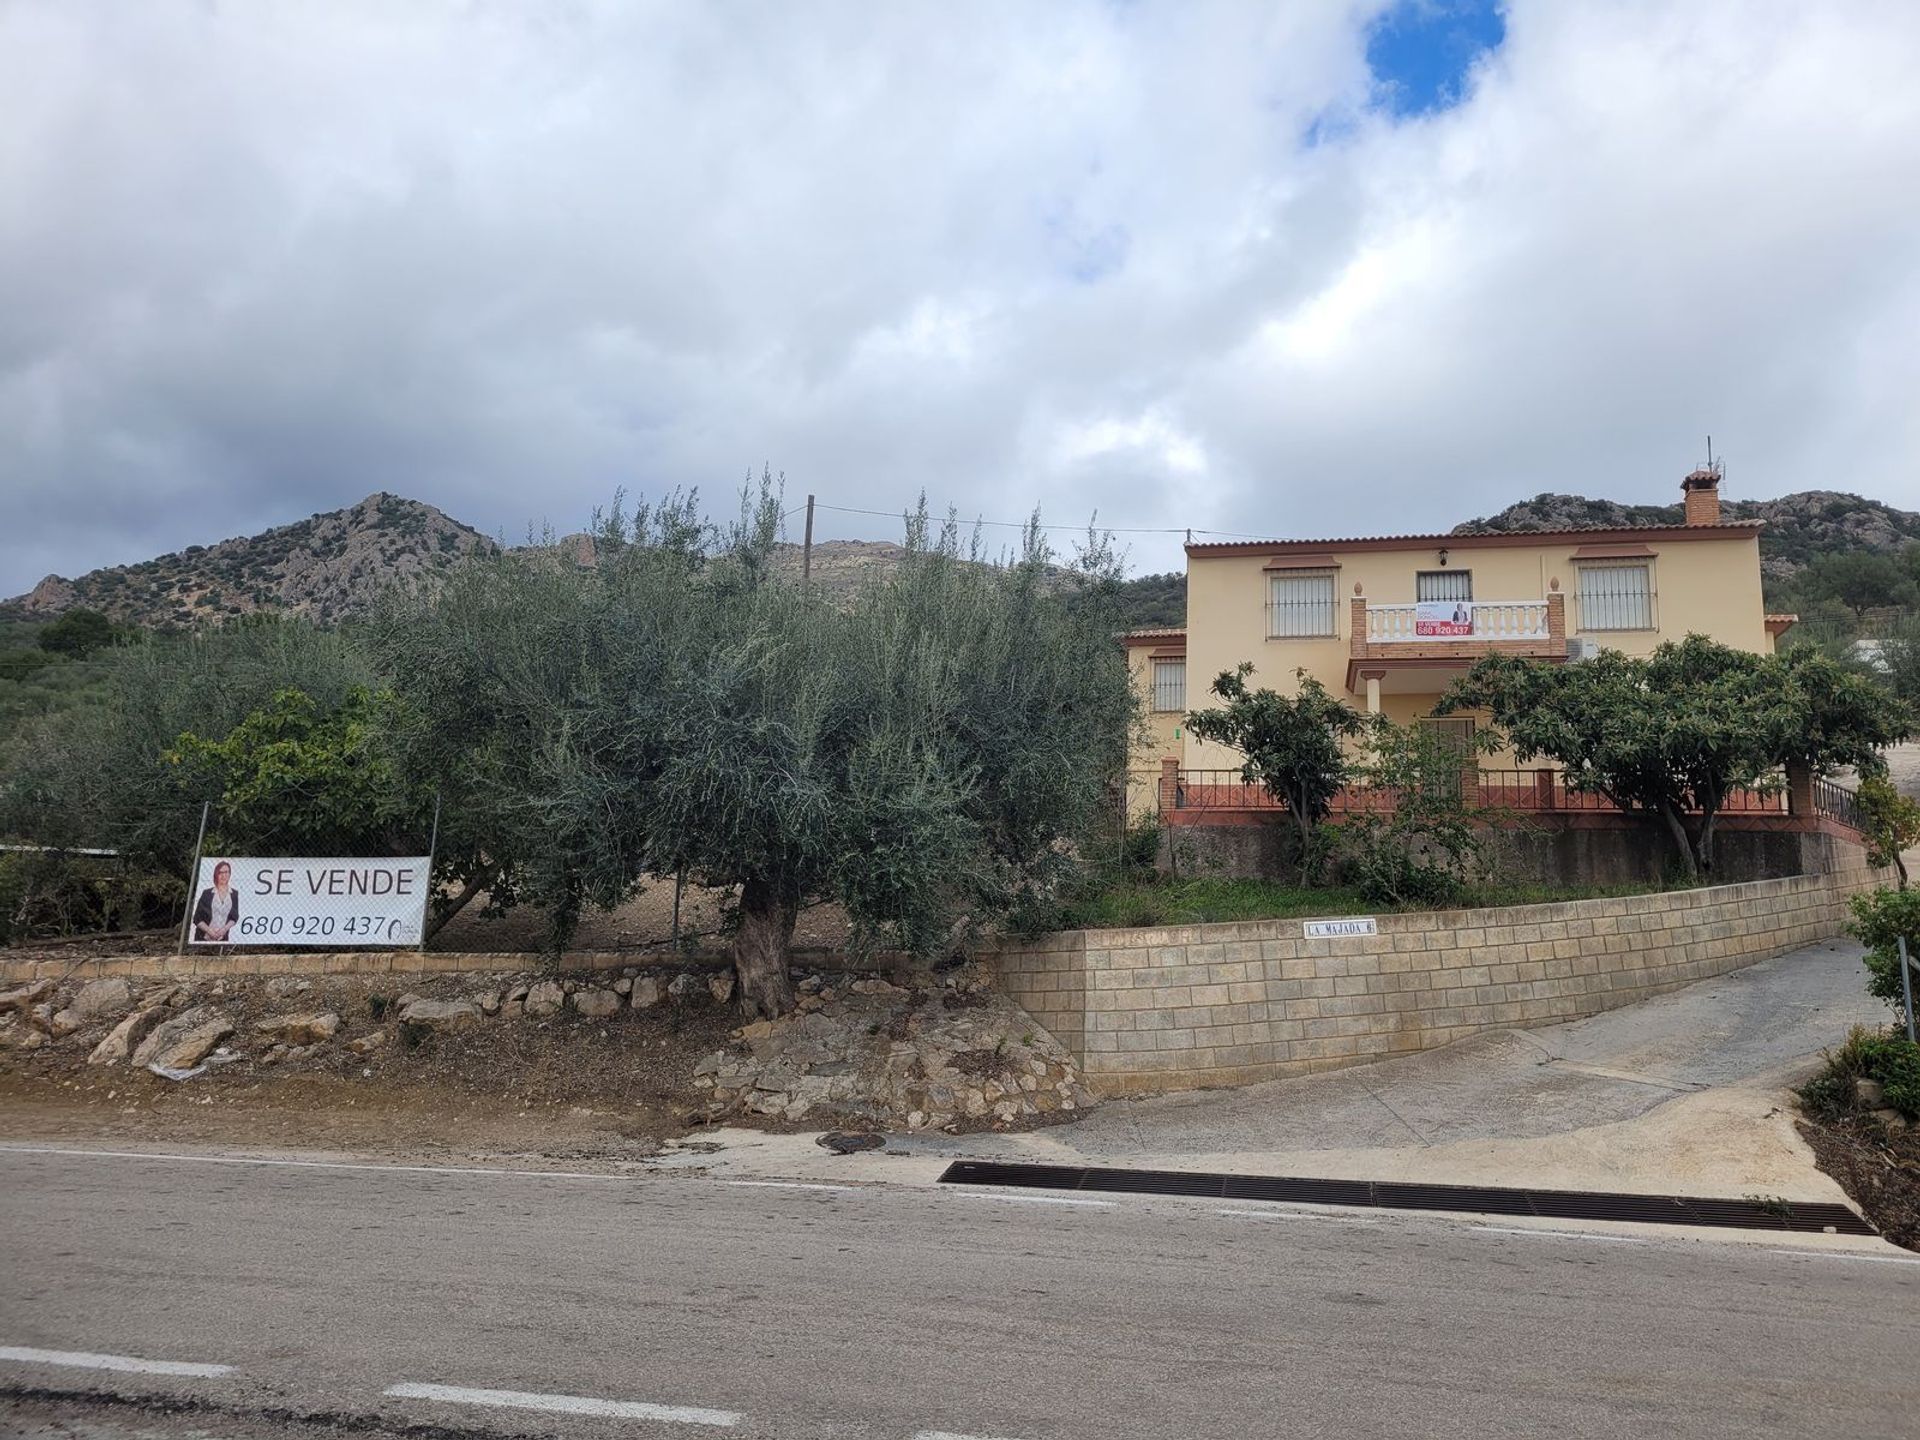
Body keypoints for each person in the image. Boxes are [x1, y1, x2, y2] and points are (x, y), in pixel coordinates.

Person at [192, 861, 239, 942]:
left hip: (222, 938)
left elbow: (234, 917)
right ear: (216, 874)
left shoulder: (234, 894)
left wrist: (223, 930)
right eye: (220, 872)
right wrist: (210, 931)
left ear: (230, 874)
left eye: (226, 872)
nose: (224, 875)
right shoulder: (207, 893)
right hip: (203, 937)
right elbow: (197, 918)